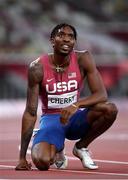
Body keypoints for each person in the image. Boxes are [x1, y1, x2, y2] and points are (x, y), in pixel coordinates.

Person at [15, 23, 118, 171]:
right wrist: (22, 158)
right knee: (42, 162)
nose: (66, 39)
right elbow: (30, 112)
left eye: (71, 37)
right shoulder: (37, 68)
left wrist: (76, 105)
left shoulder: (84, 58)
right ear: (52, 40)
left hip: (75, 116)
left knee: (109, 109)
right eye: (61, 35)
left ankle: (81, 147)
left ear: (74, 42)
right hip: (52, 119)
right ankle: (57, 146)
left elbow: (101, 95)